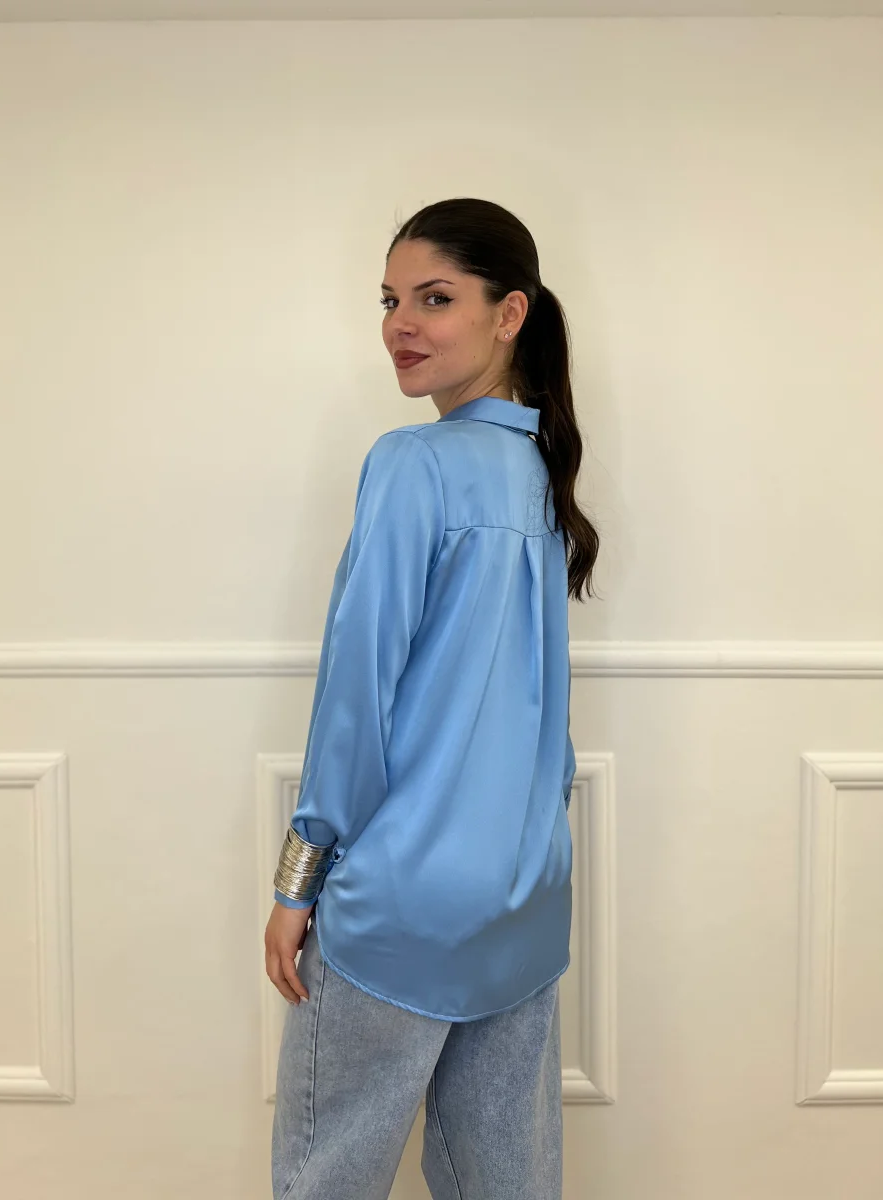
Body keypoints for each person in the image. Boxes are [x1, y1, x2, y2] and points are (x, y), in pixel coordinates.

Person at [264, 197, 599, 1200]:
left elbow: (358, 688)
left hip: (403, 900)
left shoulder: (412, 463)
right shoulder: (539, 471)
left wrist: (298, 879)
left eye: (435, 298)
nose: (400, 326)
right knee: (504, 1180)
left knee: (328, 1177)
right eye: (390, 301)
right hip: (524, 896)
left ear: (510, 313)